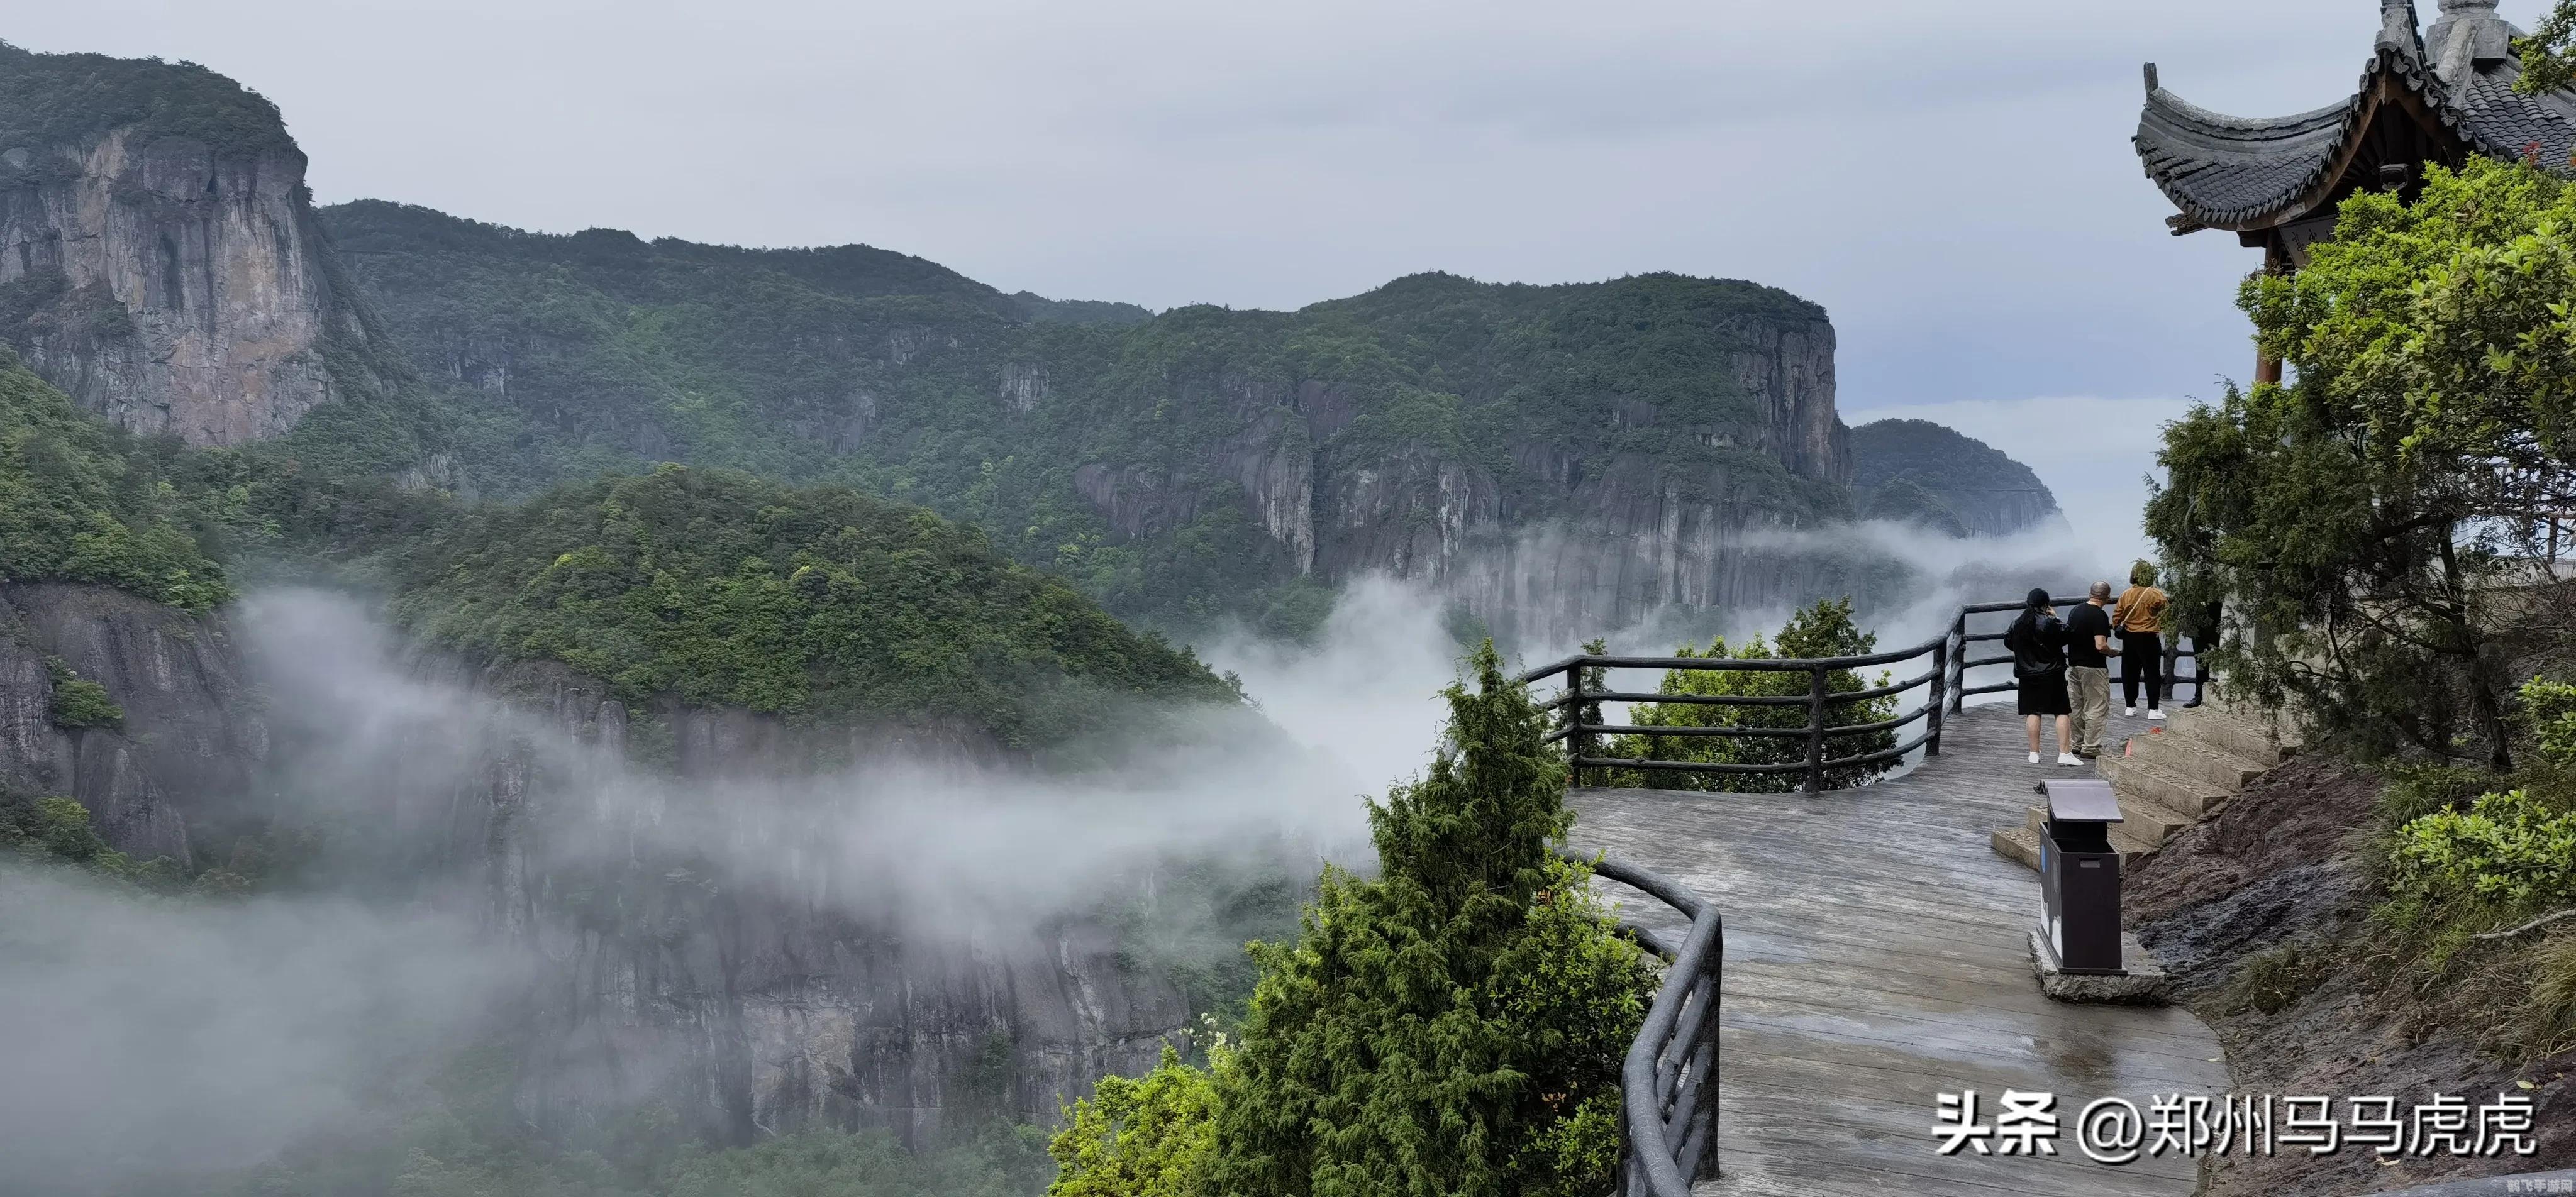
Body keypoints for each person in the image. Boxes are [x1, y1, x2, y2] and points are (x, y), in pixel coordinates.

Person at [2004, 588, 2079, 766]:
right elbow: (2067, 634)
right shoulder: (2049, 622)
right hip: (2052, 673)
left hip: (2027, 675)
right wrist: (2056, 617)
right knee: (2061, 711)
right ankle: (2064, 753)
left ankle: (2034, 753)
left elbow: (2008, 642)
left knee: (2032, 712)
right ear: (2046, 604)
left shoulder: (2017, 623)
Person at [2064, 581, 2121, 758]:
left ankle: (2077, 743)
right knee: (2096, 706)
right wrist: (2112, 652)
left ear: (2091, 593)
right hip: (2093, 667)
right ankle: (2091, 747)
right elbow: (2100, 645)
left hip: (2074, 666)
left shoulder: (2076, 611)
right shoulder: (2099, 616)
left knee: (2076, 706)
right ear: (2107, 597)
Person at [2112, 560, 2170, 720]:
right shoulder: (2156, 594)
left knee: (2129, 672)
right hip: (2150, 637)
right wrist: (2159, 626)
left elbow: (2117, 617)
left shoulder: (2126, 594)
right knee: (2152, 673)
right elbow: (2167, 615)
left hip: (2130, 637)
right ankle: (2153, 709)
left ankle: (2130, 706)